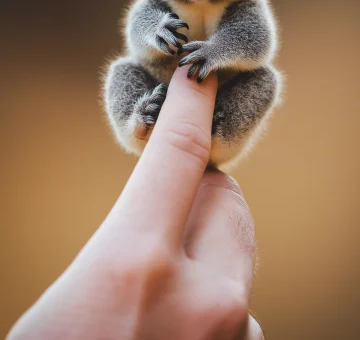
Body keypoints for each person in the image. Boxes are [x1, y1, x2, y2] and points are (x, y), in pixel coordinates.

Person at [8, 66, 264, 339]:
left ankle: (219, 131)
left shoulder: (237, 24)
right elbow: (140, 36)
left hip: (220, 111)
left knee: (263, 80)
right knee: (122, 71)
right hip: (155, 88)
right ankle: (140, 120)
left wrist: (216, 52)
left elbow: (256, 43)